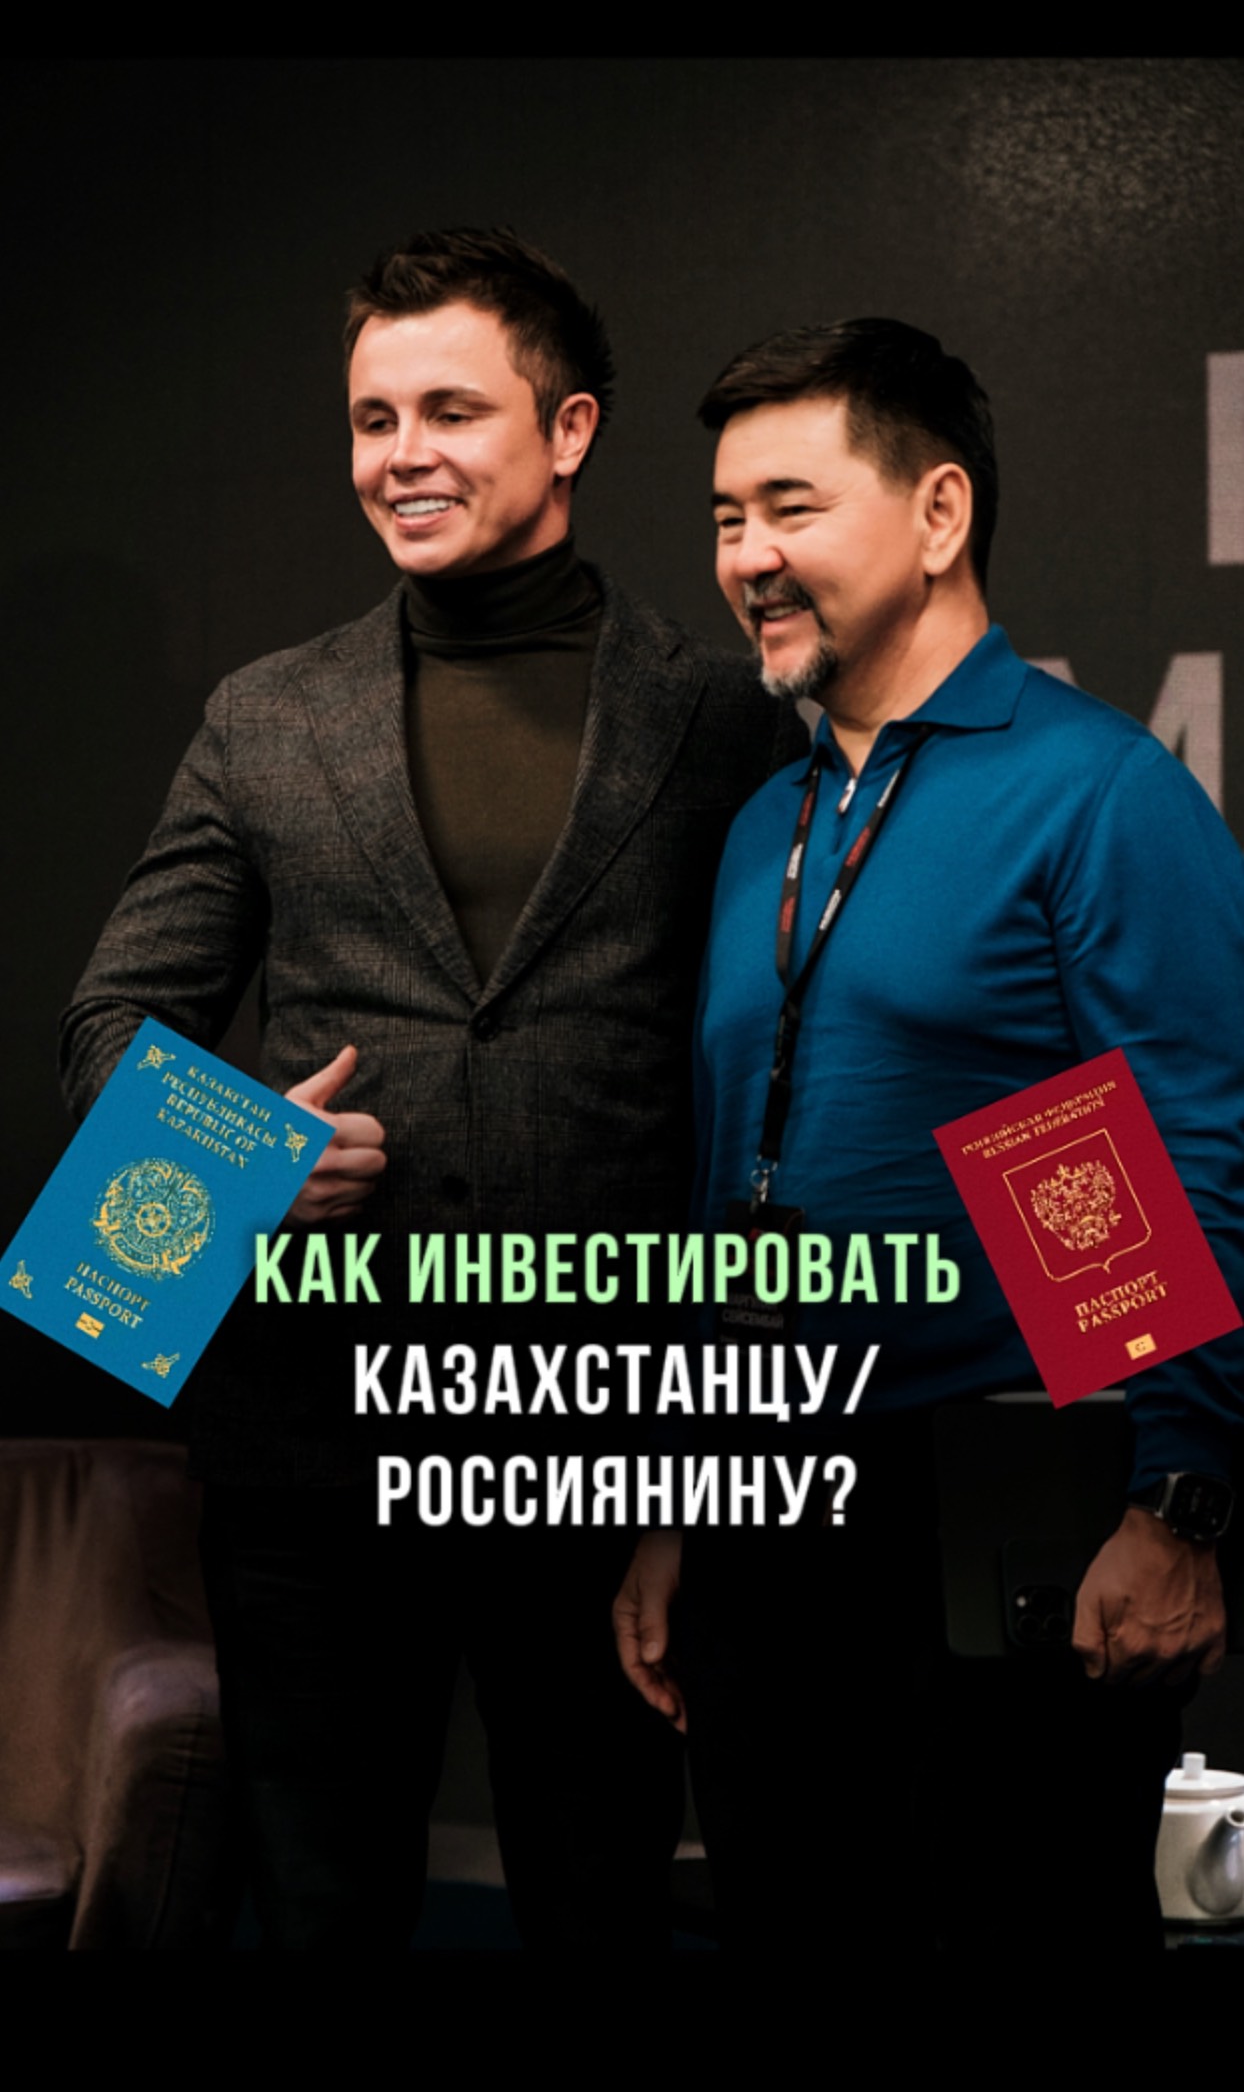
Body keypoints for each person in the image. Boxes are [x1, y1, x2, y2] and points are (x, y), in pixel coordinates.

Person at [59, 227, 804, 1950]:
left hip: (608, 1448)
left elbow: (787, 1066)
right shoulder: (264, 716)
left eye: (451, 410)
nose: (402, 454)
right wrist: (244, 1151)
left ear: (570, 427)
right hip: (314, 1447)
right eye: (372, 417)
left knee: (603, 1907)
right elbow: (113, 1017)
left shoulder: (724, 723)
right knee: (321, 1911)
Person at [614, 317, 1244, 1954]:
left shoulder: (1096, 792)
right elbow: (721, 1176)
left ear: (940, 512)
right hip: (762, 1506)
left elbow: (1194, 1154)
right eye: (726, 517)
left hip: (998, 1518)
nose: (746, 556)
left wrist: (1178, 1505)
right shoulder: (769, 818)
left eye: (792, 507)